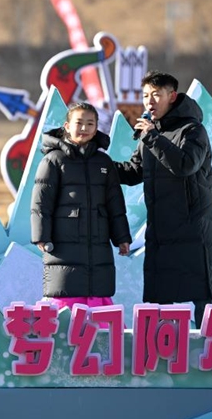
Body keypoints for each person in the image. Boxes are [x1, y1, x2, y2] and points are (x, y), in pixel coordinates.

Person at [114, 70, 212, 327]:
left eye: (156, 95)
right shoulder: (150, 134)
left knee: (201, 294)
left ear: (172, 96)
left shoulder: (193, 130)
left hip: (192, 227)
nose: (149, 101)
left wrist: (152, 137)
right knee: (159, 294)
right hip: (161, 226)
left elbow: (185, 164)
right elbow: (133, 171)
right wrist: (101, 167)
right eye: (145, 96)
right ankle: (160, 352)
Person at [31, 102, 132, 311]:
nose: (84, 128)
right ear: (67, 126)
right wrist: (42, 235)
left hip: (98, 241)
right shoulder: (53, 160)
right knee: (66, 294)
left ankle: (100, 339)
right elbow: (41, 202)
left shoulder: (104, 162)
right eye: (79, 123)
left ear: (96, 129)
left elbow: (115, 203)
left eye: (90, 124)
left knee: (98, 294)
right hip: (63, 242)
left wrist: (121, 238)